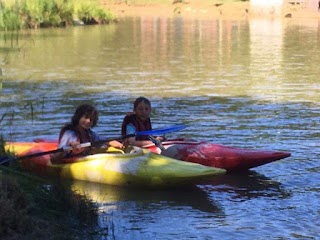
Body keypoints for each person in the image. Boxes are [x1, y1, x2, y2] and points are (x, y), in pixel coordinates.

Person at [51, 104, 123, 163]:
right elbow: (54, 159)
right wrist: (69, 147)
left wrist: (110, 141)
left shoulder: (90, 134)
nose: (88, 121)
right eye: (85, 117)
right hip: (68, 162)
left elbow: (101, 140)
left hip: (82, 160)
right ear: (78, 117)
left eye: (91, 120)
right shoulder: (69, 133)